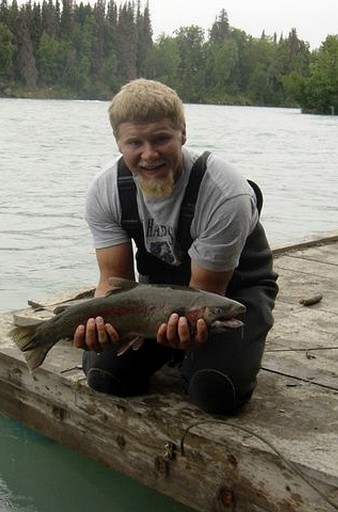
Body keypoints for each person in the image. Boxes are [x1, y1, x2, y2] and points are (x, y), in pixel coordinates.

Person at [73, 79, 278, 415]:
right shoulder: (105, 191)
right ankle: (171, 351)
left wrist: (188, 340)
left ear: (183, 133)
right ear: (118, 142)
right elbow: (113, 282)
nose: (149, 154)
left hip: (228, 296)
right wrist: (100, 325)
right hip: (154, 299)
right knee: (104, 376)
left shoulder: (226, 194)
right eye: (134, 142)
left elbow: (203, 297)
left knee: (214, 390)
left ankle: (214, 353)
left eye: (161, 139)